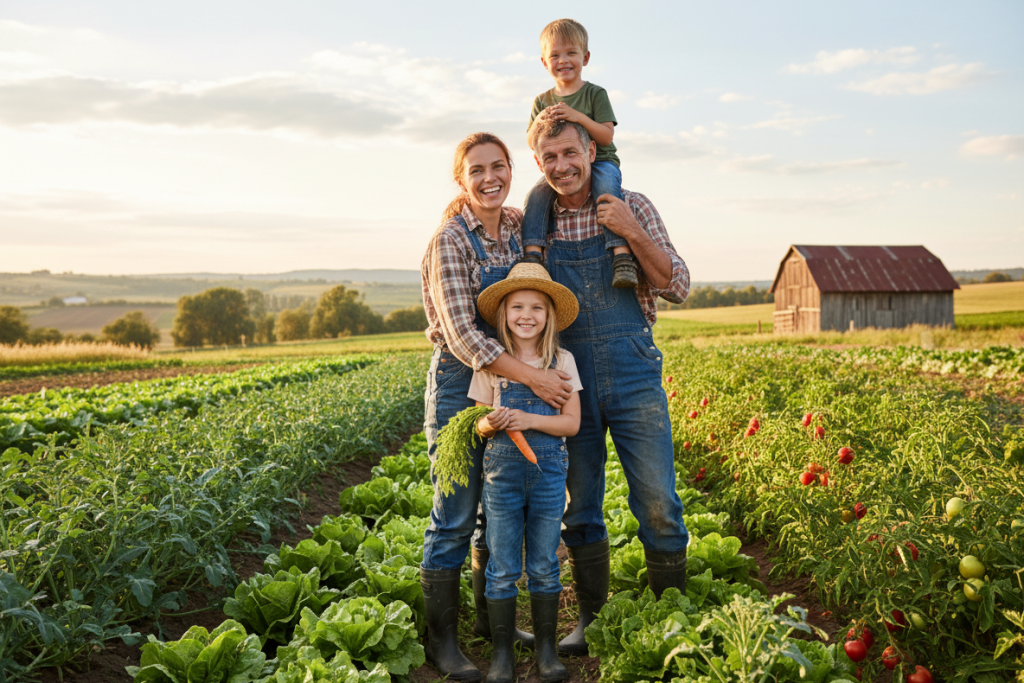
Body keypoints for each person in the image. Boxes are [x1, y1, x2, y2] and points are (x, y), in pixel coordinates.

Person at [527, 117, 692, 655]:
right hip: (568, 381)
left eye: (570, 153)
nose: (562, 167)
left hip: (633, 371)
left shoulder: (630, 204)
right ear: (539, 164)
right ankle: (592, 621)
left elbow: (678, 286)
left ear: (591, 152)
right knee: (580, 506)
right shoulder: (536, 226)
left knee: (658, 502)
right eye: (550, 158)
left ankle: (672, 620)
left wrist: (630, 230)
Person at [419, 132, 576, 682]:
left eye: (499, 166)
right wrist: (535, 377)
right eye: (477, 170)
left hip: (515, 372)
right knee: (455, 515)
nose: (490, 178)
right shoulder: (449, 240)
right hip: (463, 379)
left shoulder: (513, 225)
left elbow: (547, 200)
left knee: (494, 512)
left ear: (511, 168)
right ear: (460, 180)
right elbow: (465, 337)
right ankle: (441, 644)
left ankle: (493, 626)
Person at [469, 263, 581, 683]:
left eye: (537, 307)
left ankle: (547, 651)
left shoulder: (562, 360)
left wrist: (528, 420)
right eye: (517, 306)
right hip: (502, 475)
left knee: (545, 562)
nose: (526, 315)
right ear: (504, 313)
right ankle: (502, 656)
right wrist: (491, 423)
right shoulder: (491, 364)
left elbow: (571, 423)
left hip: (548, 473)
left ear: (549, 315)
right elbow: (477, 425)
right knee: (501, 564)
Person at [521, 18, 638, 289]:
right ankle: (533, 256)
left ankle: (621, 255)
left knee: (606, 191)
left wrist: (577, 116)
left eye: (571, 53)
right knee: (536, 195)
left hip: (602, 161)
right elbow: (531, 142)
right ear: (544, 62)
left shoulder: (595, 94)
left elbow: (606, 136)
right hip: (565, 166)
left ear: (585, 58)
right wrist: (538, 123)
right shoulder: (542, 101)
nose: (563, 60)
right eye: (555, 55)